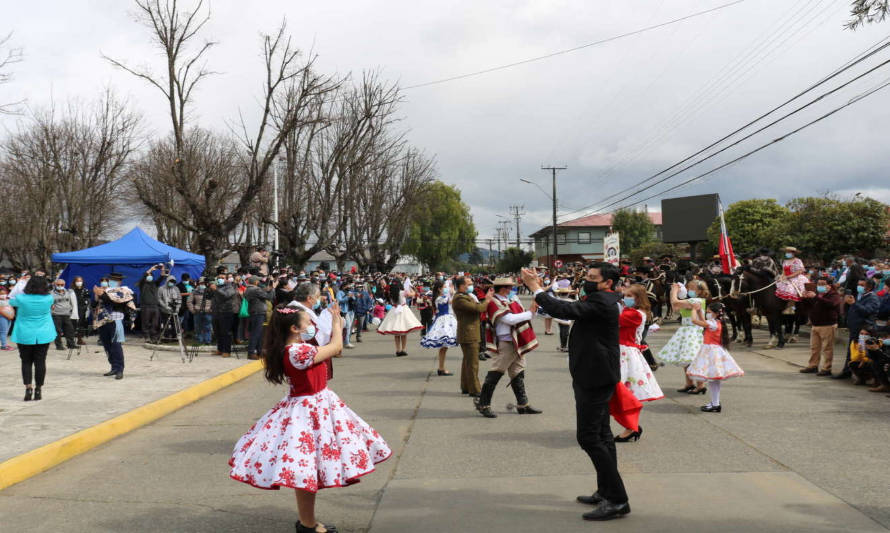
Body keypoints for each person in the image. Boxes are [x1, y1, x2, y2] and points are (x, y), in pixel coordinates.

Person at [228, 303, 391, 533]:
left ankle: (308, 521)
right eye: (307, 322)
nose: (311, 325)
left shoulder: (296, 348)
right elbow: (335, 347)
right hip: (309, 409)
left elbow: (332, 349)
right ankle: (307, 524)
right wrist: (337, 323)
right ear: (295, 328)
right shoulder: (297, 351)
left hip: (313, 405)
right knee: (306, 470)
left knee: (308, 468)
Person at [521, 263, 630, 521]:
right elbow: (566, 307)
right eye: (588, 277)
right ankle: (606, 490)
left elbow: (564, 309)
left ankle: (617, 499)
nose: (588, 281)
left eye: (593, 278)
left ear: (608, 283)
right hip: (593, 373)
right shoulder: (600, 297)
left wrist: (535, 288)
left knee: (589, 437)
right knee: (602, 435)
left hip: (595, 376)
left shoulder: (602, 301)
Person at [476, 276, 541, 419]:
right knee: (496, 372)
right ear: (504, 288)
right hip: (506, 342)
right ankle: (483, 403)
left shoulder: (510, 300)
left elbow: (525, 317)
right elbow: (509, 320)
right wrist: (529, 312)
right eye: (509, 287)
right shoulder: (494, 302)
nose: (512, 289)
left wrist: (532, 310)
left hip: (515, 341)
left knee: (518, 372)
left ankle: (523, 404)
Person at [614, 284, 663, 442]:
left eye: (629, 295)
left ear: (638, 298)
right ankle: (631, 426)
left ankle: (631, 426)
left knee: (620, 392)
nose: (625, 298)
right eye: (625, 295)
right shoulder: (632, 311)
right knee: (618, 392)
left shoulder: (635, 314)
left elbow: (612, 321)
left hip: (625, 353)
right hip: (622, 351)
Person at [687, 302, 745, 412]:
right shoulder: (717, 322)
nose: (707, 314)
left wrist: (694, 309)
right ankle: (715, 402)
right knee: (714, 380)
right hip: (714, 352)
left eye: (708, 312)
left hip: (711, 353)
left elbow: (694, 321)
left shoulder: (712, 323)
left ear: (715, 313)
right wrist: (699, 311)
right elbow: (703, 321)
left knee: (713, 380)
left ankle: (715, 403)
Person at [658, 280, 709, 394]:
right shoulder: (692, 300)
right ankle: (689, 383)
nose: (689, 290)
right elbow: (675, 308)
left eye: (692, 288)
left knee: (693, 358)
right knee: (686, 358)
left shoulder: (695, 300)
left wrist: (674, 290)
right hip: (687, 330)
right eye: (688, 288)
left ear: (700, 291)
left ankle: (700, 385)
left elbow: (675, 302)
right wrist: (674, 294)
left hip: (692, 330)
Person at [10, 275, 55, 401]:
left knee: (26, 361)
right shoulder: (48, 298)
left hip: (24, 333)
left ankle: (28, 388)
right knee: (40, 361)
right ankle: (39, 389)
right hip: (43, 334)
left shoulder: (20, 298)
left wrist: (19, 284)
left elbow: (10, 300)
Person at [452, 276, 494, 397]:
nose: (471, 286)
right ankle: (475, 389)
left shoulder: (465, 296)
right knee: (473, 363)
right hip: (468, 333)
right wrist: (487, 299)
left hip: (470, 332)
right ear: (461, 286)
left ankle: (466, 386)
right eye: (469, 283)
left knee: (467, 361)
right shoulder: (460, 299)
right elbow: (478, 308)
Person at [288, 282, 335, 380]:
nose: (320, 299)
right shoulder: (299, 312)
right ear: (309, 298)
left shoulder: (299, 309)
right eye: (317, 297)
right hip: (307, 357)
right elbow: (314, 336)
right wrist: (336, 324)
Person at [836, 279, 880, 380]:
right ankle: (848, 371)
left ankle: (862, 375)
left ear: (868, 287)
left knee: (862, 353)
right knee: (852, 350)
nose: (859, 287)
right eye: (858, 284)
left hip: (862, 330)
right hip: (855, 328)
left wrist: (853, 303)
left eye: (862, 285)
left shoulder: (872, 298)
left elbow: (867, 311)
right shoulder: (861, 296)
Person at [95, 273, 134, 379]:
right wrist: (97, 295)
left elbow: (116, 302)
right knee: (107, 346)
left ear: (120, 281)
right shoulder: (105, 291)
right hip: (103, 321)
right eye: (111, 279)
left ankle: (120, 369)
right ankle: (113, 367)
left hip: (116, 320)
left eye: (115, 280)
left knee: (116, 345)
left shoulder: (123, 290)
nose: (112, 281)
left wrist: (102, 295)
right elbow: (96, 304)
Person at [798, 277, 840, 376]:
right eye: (818, 284)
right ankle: (813, 366)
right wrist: (804, 298)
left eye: (822, 284)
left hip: (828, 325)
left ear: (829, 285)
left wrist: (816, 297)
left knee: (827, 348)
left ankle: (826, 368)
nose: (820, 286)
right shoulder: (816, 295)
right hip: (815, 325)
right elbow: (807, 308)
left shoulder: (833, 295)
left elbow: (832, 304)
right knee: (814, 348)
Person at [420, 281, 459, 376]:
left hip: (446, 319)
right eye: (445, 287)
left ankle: (441, 368)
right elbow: (452, 301)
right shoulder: (440, 298)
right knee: (443, 347)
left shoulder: (442, 297)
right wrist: (454, 292)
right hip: (444, 321)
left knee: (444, 347)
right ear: (439, 289)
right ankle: (441, 368)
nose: (447, 288)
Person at [377, 281, 422, 357]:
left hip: (394, 310)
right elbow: (413, 294)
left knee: (397, 332)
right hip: (403, 310)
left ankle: (398, 350)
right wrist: (412, 289)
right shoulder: (402, 292)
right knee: (404, 331)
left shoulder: (390, 294)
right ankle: (403, 349)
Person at [244, 276, 275, 360]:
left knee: (259, 333)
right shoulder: (256, 290)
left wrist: (266, 289)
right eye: (258, 281)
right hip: (258, 312)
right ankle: (251, 352)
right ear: (255, 282)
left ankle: (259, 351)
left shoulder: (247, 289)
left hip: (254, 311)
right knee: (256, 333)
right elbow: (269, 297)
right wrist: (272, 288)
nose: (259, 282)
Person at [210, 276, 238, 358]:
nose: (220, 279)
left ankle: (227, 351)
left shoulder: (230, 287)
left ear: (226, 279)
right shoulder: (217, 287)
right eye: (218, 277)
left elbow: (226, 296)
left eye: (222, 277)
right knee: (218, 332)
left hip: (226, 312)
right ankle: (220, 349)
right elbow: (210, 297)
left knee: (225, 332)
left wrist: (216, 290)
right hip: (216, 312)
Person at [50, 278, 79, 351]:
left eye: (62, 285)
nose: (60, 286)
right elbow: (49, 303)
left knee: (70, 330)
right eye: (58, 284)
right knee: (57, 331)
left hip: (67, 314)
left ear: (64, 285)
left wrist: (73, 313)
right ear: (55, 285)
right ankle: (59, 345)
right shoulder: (51, 293)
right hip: (56, 314)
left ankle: (71, 344)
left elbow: (73, 303)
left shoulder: (69, 292)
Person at [138, 265, 164, 342]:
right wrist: (151, 269)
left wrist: (162, 269)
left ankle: (154, 337)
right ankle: (147, 337)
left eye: (151, 276)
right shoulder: (142, 284)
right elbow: (144, 276)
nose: (149, 277)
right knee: (145, 322)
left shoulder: (155, 284)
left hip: (155, 306)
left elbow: (162, 277)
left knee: (155, 323)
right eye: (148, 276)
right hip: (146, 306)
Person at [188, 278, 213, 345]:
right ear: (199, 283)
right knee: (198, 327)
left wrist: (212, 309)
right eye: (201, 283)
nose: (203, 284)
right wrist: (192, 310)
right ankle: (200, 340)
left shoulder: (210, 291)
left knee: (208, 327)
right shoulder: (195, 291)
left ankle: (207, 340)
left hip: (208, 312)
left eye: (204, 283)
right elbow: (189, 301)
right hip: (197, 312)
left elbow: (215, 301)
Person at [157, 275, 182, 341]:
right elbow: (159, 299)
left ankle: (175, 337)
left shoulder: (176, 288)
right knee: (166, 324)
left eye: (173, 282)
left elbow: (179, 298)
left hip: (174, 310)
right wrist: (165, 306)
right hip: (165, 310)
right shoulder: (161, 288)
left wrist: (178, 307)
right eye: (170, 281)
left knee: (175, 324)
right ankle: (166, 337)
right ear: (167, 281)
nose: (172, 283)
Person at [71, 276, 91, 345]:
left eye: (80, 281)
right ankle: (71, 340)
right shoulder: (71, 290)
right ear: (74, 282)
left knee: (81, 325)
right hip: (73, 309)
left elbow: (88, 300)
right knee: (72, 324)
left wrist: (87, 308)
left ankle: (80, 339)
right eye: (77, 281)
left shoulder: (85, 290)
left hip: (82, 309)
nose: (79, 282)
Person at [0, 286, 14, 350]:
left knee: (6, 331)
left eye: (4, 293)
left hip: (9, 317)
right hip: (2, 317)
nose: (3, 295)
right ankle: (4, 345)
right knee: (3, 331)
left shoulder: (8, 300)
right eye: (1, 294)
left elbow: (11, 307)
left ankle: (5, 343)